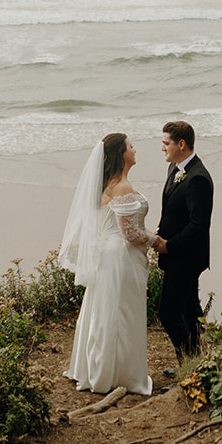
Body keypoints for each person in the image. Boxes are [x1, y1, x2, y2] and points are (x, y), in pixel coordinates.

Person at [60, 133, 154, 395]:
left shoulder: (109, 185)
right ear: (120, 154)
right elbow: (130, 234)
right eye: (130, 146)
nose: (135, 149)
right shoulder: (121, 187)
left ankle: (97, 368)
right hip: (120, 256)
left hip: (108, 253)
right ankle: (118, 374)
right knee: (120, 313)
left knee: (105, 310)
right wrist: (155, 239)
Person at [152, 120, 212, 373]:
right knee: (188, 311)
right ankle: (195, 366)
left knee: (168, 312)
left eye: (166, 143)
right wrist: (159, 232)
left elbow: (199, 226)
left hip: (185, 258)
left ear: (181, 144)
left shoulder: (197, 178)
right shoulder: (175, 169)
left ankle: (189, 368)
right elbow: (174, 212)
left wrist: (169, 246)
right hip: (177, 254)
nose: (162, 148)